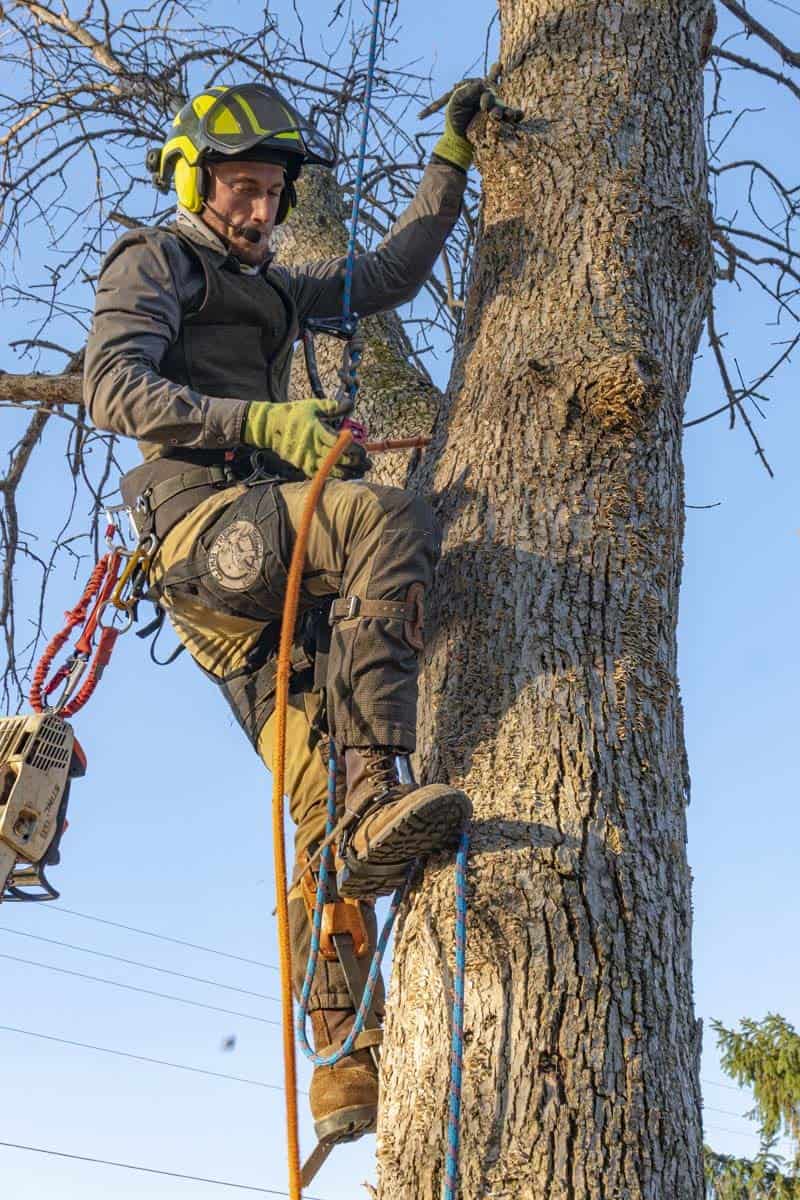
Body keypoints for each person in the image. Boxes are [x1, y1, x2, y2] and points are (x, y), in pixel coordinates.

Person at [84, 79, 522, 1144]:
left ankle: (344, 1058)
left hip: (261, 586)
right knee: (384, 519)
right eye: (241, 189)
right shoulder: (158, 261)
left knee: (315, 807)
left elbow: (385, 274)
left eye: (272, 195)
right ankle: (381, 784)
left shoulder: (278, 285)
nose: (259, 211)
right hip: (205, 536)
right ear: (194, 180)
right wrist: (267, 420)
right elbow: (111, 386)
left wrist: (449, 159)